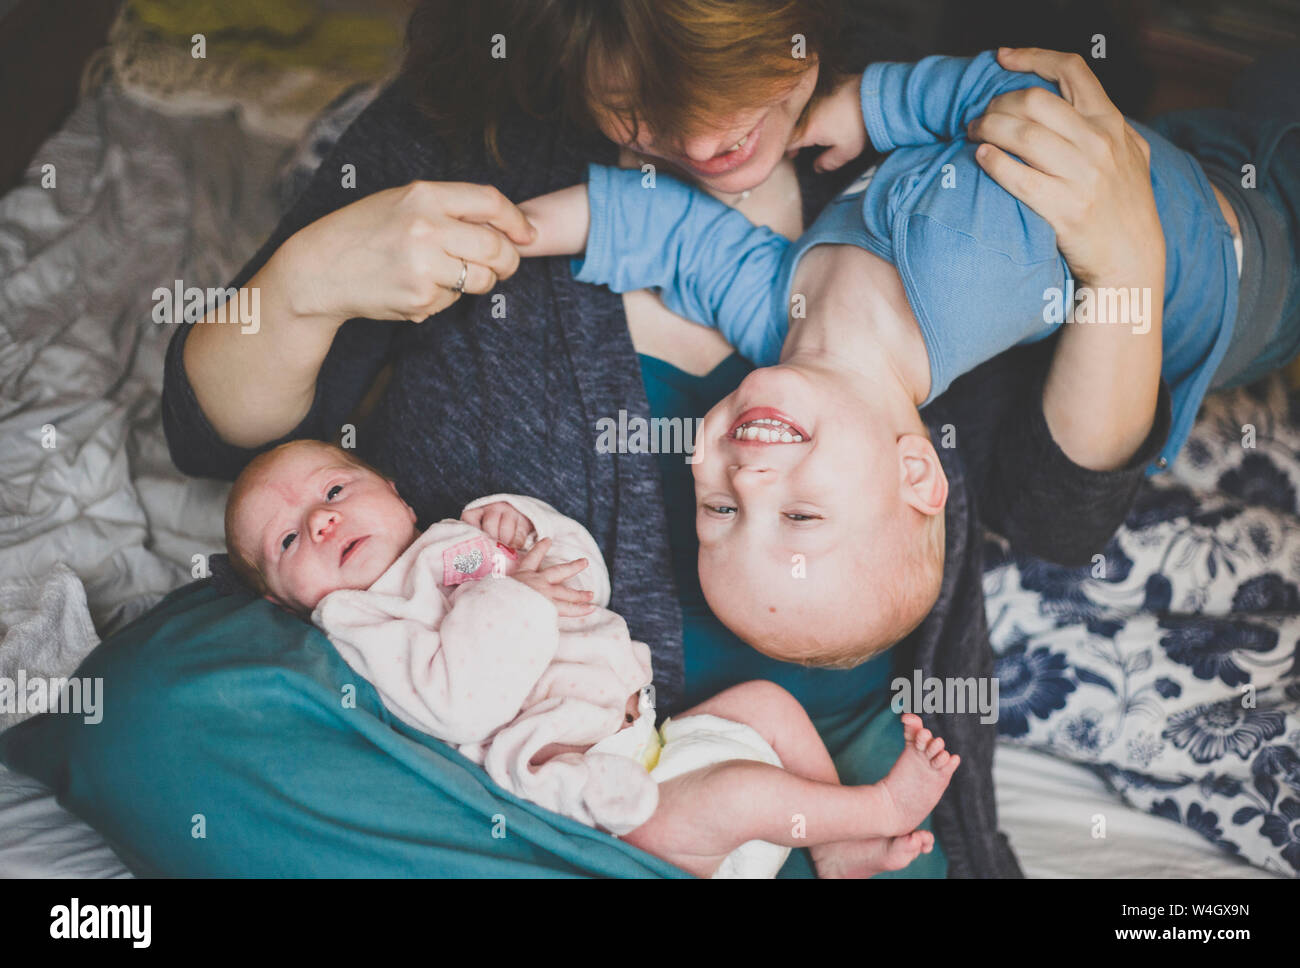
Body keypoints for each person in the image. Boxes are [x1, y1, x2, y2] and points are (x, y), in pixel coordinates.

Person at [153, 0, 1167, 878]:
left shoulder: (912, 159)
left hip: (819, 786)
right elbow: (215, 434)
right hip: (515, 775)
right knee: (160, 720)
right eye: (637, 98)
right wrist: (304, 283)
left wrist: (1130, 265)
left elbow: (1054, 510)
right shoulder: (473, 135)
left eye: (752, 73)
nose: (709, 135)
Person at [512, 48, 1299, 666]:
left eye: (721, 512)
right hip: (1261, 265)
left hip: (1201, 163)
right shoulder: (970, 264)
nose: (747, 481)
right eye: (799, 514)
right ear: (915, 473)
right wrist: (876, 105)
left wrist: (515, 232)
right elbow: (1038, 113)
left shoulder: (774, 317)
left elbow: (675, 238)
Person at [222, 439, 956, 878]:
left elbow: (588, 586)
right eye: (287, 541)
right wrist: (520, 598)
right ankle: (878, 807)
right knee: (736, 794)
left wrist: (528, 530)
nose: (320, 520)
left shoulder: (458, 543)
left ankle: (837, 854)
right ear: (292, 604)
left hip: (651, 737)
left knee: (767, 703)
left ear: (400, 499)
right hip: (612, 813)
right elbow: (457, 702)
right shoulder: (362, 625)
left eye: (336, 489)